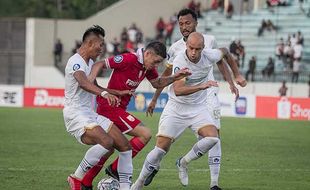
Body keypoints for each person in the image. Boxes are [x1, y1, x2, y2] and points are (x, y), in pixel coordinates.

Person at [144, 9, 246, 190]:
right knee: (165, 142)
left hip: (207, 94)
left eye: (188, 23)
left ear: (196, 23)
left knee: (215, 136)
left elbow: (221, 60)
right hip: (183, 95)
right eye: (181, 24)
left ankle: (214, 183)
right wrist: (154, 99)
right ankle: (156, 165)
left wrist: (232, 81)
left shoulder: (209, 40)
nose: (184, 27)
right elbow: (166, 75)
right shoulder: (175, 48)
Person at [82, 41, 192, 186]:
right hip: (110, 107)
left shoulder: (146, 66)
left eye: (159, 62)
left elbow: (157, 83)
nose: (156, 65)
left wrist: (175, 77)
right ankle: (115, 169)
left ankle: (85, 182)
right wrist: (90, 81)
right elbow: (99, 64)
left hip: (118, 109)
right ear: (147, 54)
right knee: (145, 133)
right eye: (156, 61)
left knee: (107, 149)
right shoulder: (129, 59)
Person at [63, 25, 134, 190]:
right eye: (100, 45)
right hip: (75, 114)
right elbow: (83, 83)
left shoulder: (90, 62)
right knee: (107, 142)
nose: (102, 48)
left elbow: (95, 86)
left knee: (124, 146)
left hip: (89, 113)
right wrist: (103, 95)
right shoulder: (75, 61)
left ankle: (125, 188)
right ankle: (76, 178)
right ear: (89, 43)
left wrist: (117, 92)